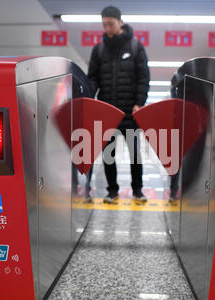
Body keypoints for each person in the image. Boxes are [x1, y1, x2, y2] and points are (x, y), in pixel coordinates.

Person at [87, 6, 150, 203]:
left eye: (111, 23)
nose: (107, 28)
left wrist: (140, 102)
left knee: (134, 154)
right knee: (108, 154)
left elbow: (143, 77)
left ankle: (137, 191)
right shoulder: (99, 50)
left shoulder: (135, 47)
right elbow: (93, 79)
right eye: (104, 24)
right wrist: (91, 101)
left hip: (130, 111)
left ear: (120, 22)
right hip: (108, 112)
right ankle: (112, 191)